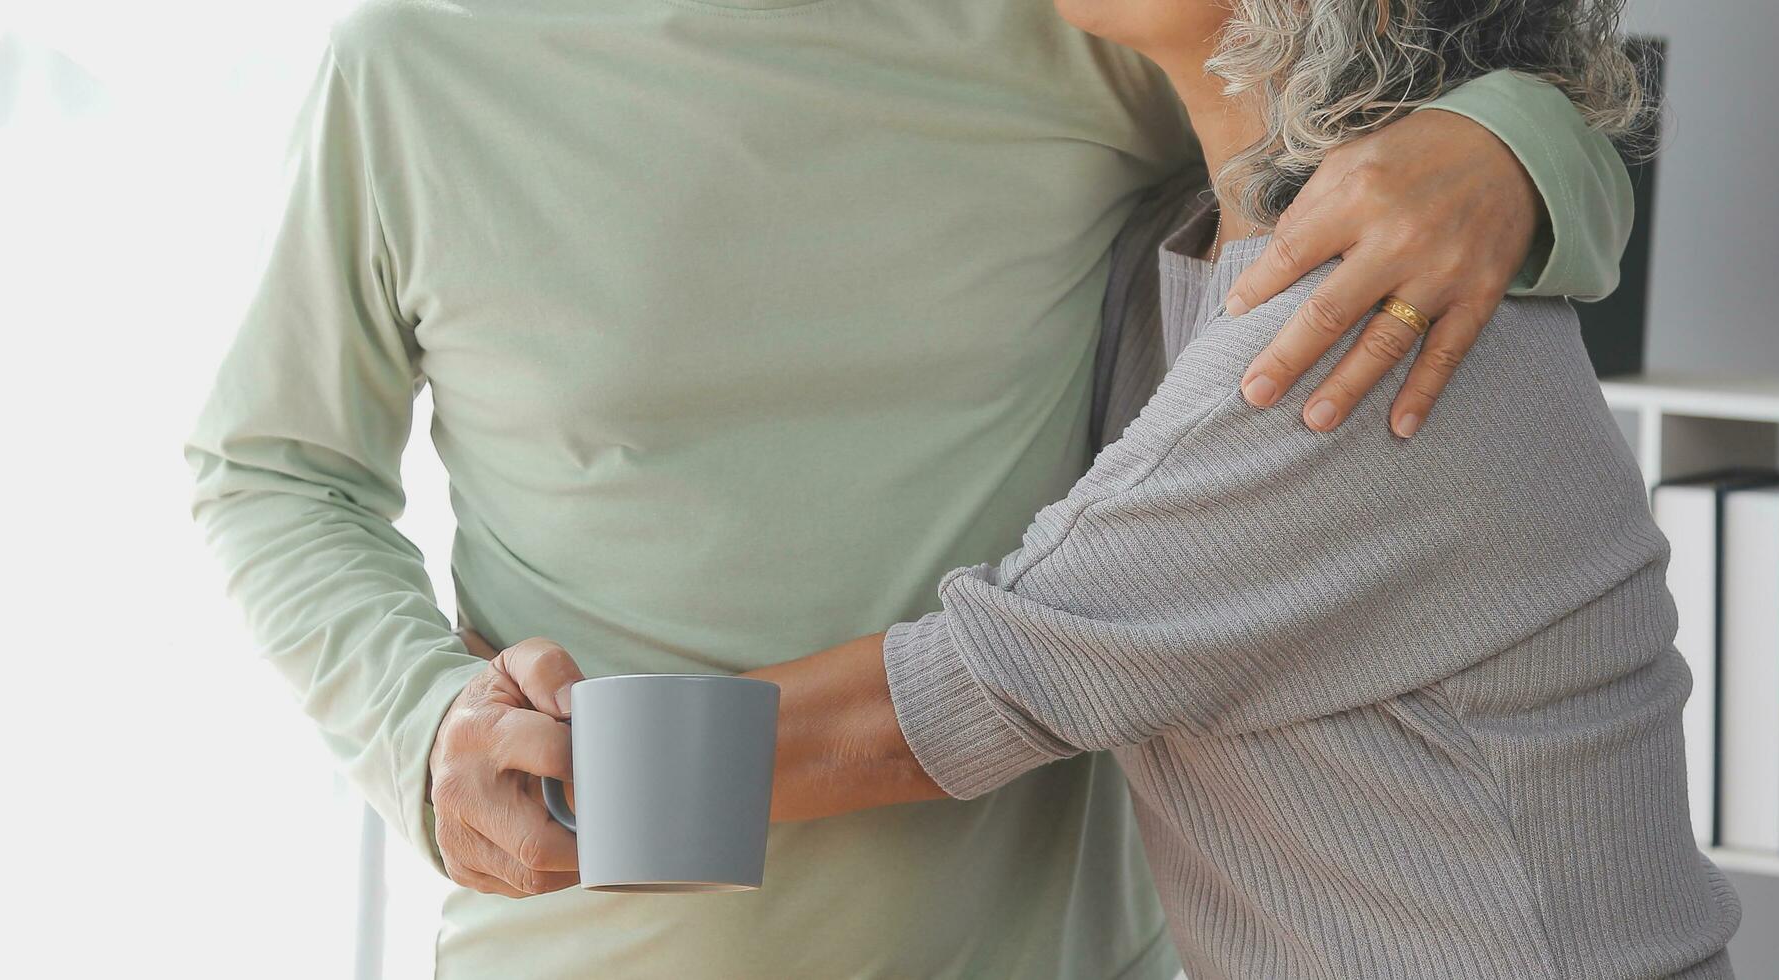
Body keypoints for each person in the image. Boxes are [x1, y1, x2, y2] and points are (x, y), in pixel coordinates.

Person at [187, 0, 1634, 976]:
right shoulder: (419, 58)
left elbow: (1358, 87)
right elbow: (270, 465)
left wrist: (1509, 149)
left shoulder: (1086, 30)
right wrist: (415, 723)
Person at [622, 0, 1738, 975]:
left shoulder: (1353, 340)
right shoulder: (1188, 252)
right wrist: (1522, 140)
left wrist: (543, 781)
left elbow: (930, 710)